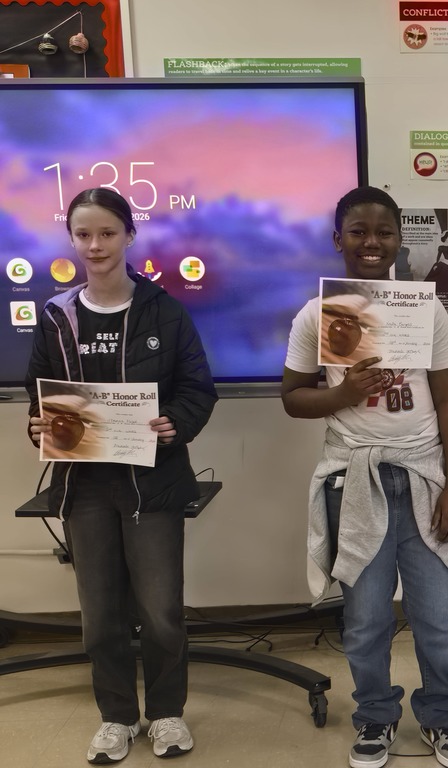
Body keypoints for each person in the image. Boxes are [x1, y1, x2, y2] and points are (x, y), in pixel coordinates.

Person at [282, 186, 448, 768]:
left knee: (439, 618)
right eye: (359, 231)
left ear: (399, 240)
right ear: (338, 239)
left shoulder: (425, 309)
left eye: (384, 232)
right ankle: (375, 717)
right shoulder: (317, 314)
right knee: (366, 619)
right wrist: (342, 392)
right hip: (357, 481)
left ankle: (442, 718)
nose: (372, 243)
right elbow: (293, 399)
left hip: (424, 479)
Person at [25, 187, 217, 763]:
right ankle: (115, 717)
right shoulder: (57, 315)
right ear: (72, 240)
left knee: (160, 614)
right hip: (84, 488)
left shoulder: (164, 310)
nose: (95, 245)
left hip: (151, 486)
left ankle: (165, 715)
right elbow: (37, 396)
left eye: (107, 232)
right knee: (100, 618)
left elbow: (197, 390)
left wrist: (174, 424)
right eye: (83, 234)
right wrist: (38, 428)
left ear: (129, 235)